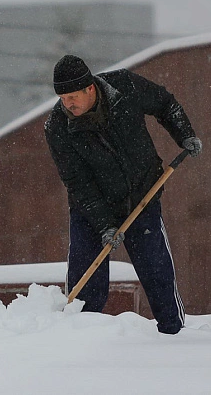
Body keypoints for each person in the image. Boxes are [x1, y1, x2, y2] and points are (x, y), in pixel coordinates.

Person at [44, 54, 201, 334]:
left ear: (89, 88)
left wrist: (184, 134)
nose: (67, 104)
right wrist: (105, 225)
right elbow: (77, 183)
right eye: (62, 98)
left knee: (156, 269)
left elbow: (165, 104)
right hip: (91, 209)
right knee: (86, 281)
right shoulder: (58, 127)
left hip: (142, 195)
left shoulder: (124, 87)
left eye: (72, 97)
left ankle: (173, 333)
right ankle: (77, 340)